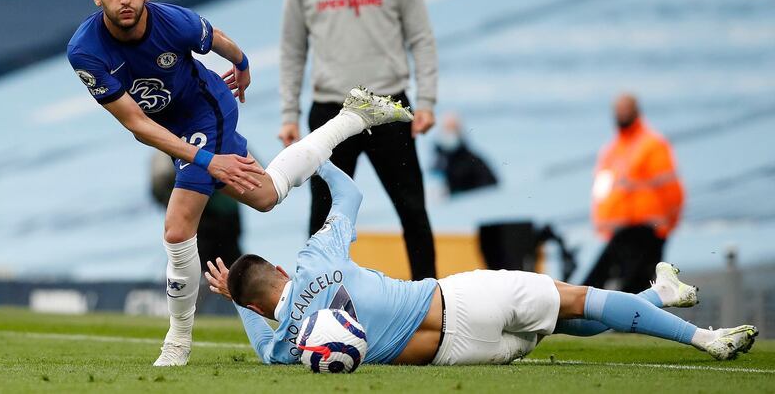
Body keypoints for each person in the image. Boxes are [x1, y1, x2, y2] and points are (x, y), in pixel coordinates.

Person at [66, 0, 414, 366]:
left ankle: (177, 342)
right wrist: (206, 159)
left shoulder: (173, 21)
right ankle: (352, 116)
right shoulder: (84, 51)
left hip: (206, 111)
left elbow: (218, 40)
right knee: (267, 196)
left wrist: (242, 63)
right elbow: (137, 124)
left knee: (178, 231)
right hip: (172, 131)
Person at [205, 161, 757, 365]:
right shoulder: (313, 257)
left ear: (255, 304)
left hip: (461, 357)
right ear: (280, 271)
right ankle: (703, 338)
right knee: (578, 302)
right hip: (460, 298)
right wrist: (311, 161)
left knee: (562, 324)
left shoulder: (283, 347)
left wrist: (236, 298)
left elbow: (259, 328)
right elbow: (348, 197)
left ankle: (661, 295)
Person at [278, 0, 437, 280]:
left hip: (389, 108)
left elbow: (421, 38)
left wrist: (428, 102)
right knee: (322, 216)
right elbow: (293, 51)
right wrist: (289, 114)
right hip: (330, 112)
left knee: (413, 211)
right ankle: (312, 303)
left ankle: (434, 304)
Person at [584, 94, 685, 293]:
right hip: (619, 232)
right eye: (618, 110)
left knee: (637, 289)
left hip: (646, 230)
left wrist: (666, 226)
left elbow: (671, 188)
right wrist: (602, 223)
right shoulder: (611, 151)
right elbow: (602, 190)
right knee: (597, 285)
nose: (621, 114)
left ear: (636, 111)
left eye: (625, 109)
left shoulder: (652, 145)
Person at [432, 112, 498, 195]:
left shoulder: (472, 160)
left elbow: (491, 184)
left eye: (452, 130)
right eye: (446, 130)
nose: (448, 134)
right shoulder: (440, 158)